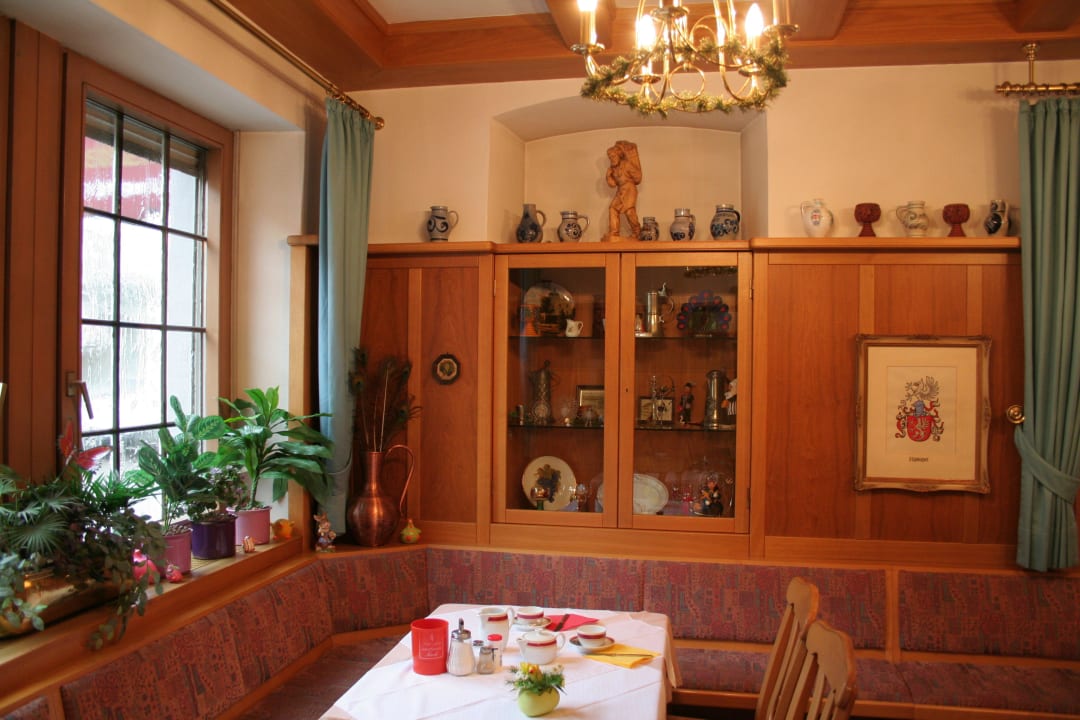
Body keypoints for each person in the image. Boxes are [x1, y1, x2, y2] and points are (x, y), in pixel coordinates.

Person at [605, 140, 642, 240]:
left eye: (613, 156)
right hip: (620, 190)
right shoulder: (613, 169)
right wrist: (608, 176)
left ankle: (637, 231)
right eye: (610, 158)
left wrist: (628, 179)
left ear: (619, 155)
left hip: (629, 189)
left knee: (629, 211)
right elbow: (613, 184)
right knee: (613, 208)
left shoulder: (627, 165)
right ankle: (614, 232)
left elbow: (638, 177)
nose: (611, 159)